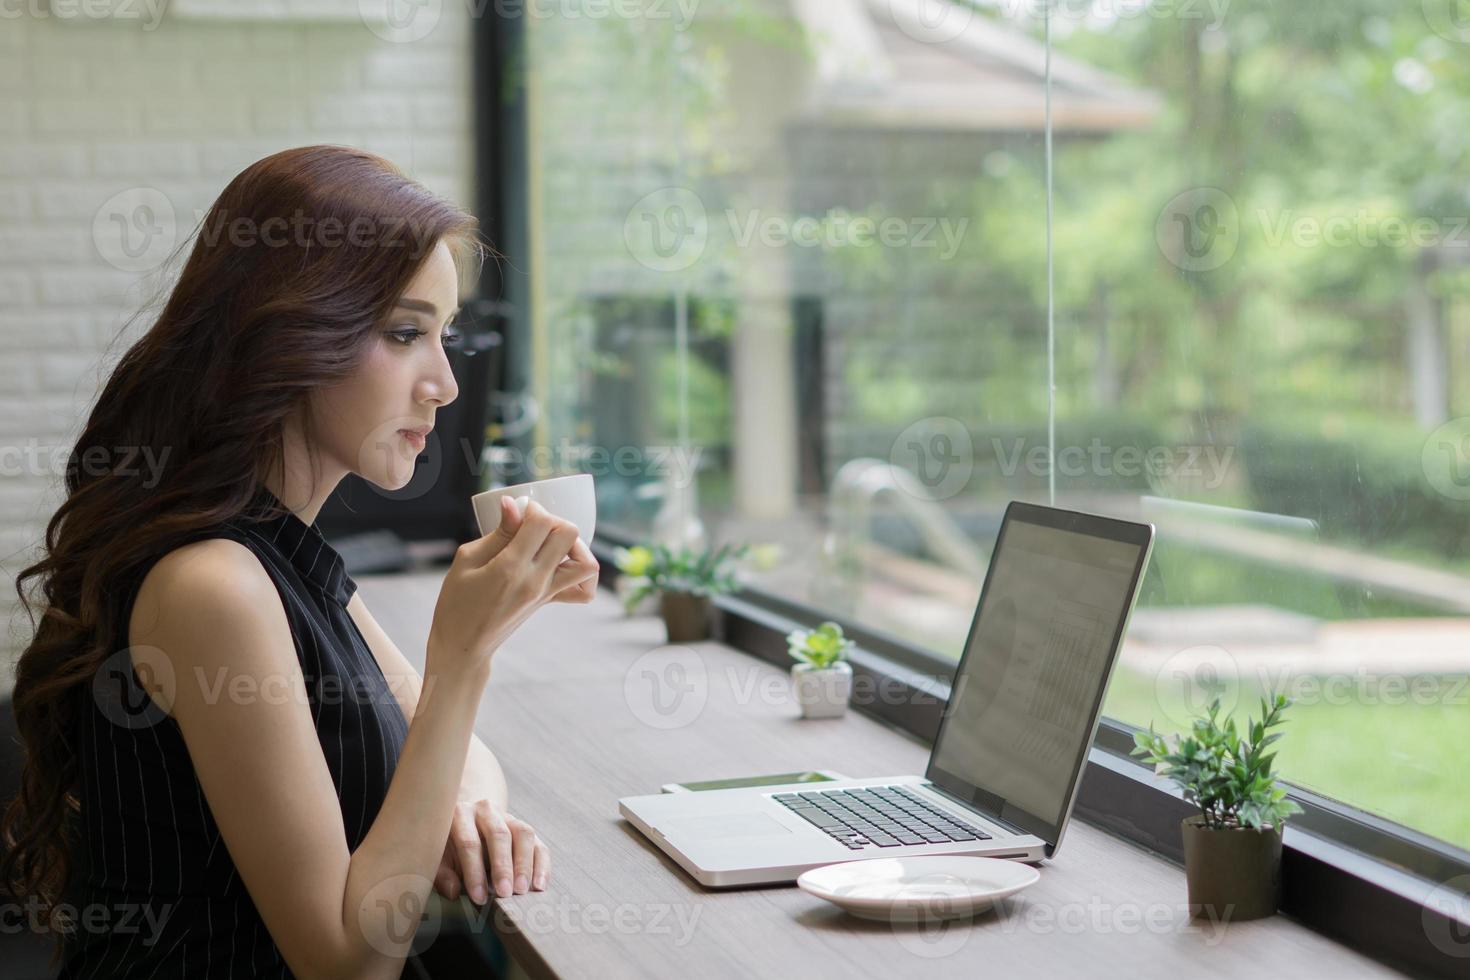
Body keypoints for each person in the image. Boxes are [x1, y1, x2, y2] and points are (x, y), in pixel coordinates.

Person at [1, 144, 600, 978]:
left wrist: (468, 809)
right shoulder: (214, 585)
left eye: (445, 338)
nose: (445, 384)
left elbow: (456, 746)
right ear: (291, 334)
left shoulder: (284, 553)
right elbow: (349, 964)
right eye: (404, 333)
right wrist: (464, 657)